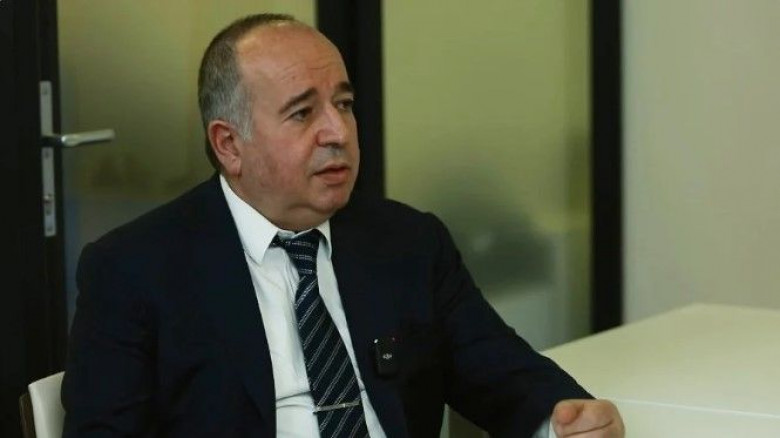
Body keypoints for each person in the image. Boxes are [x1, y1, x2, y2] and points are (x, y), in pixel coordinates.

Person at [62, 13, 624, 438]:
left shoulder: (408, 241)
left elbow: (499, 370)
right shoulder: (135, 270)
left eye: (345, 104)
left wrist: (566, 417)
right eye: (303, 113)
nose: (338, 132)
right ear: (229, 145)